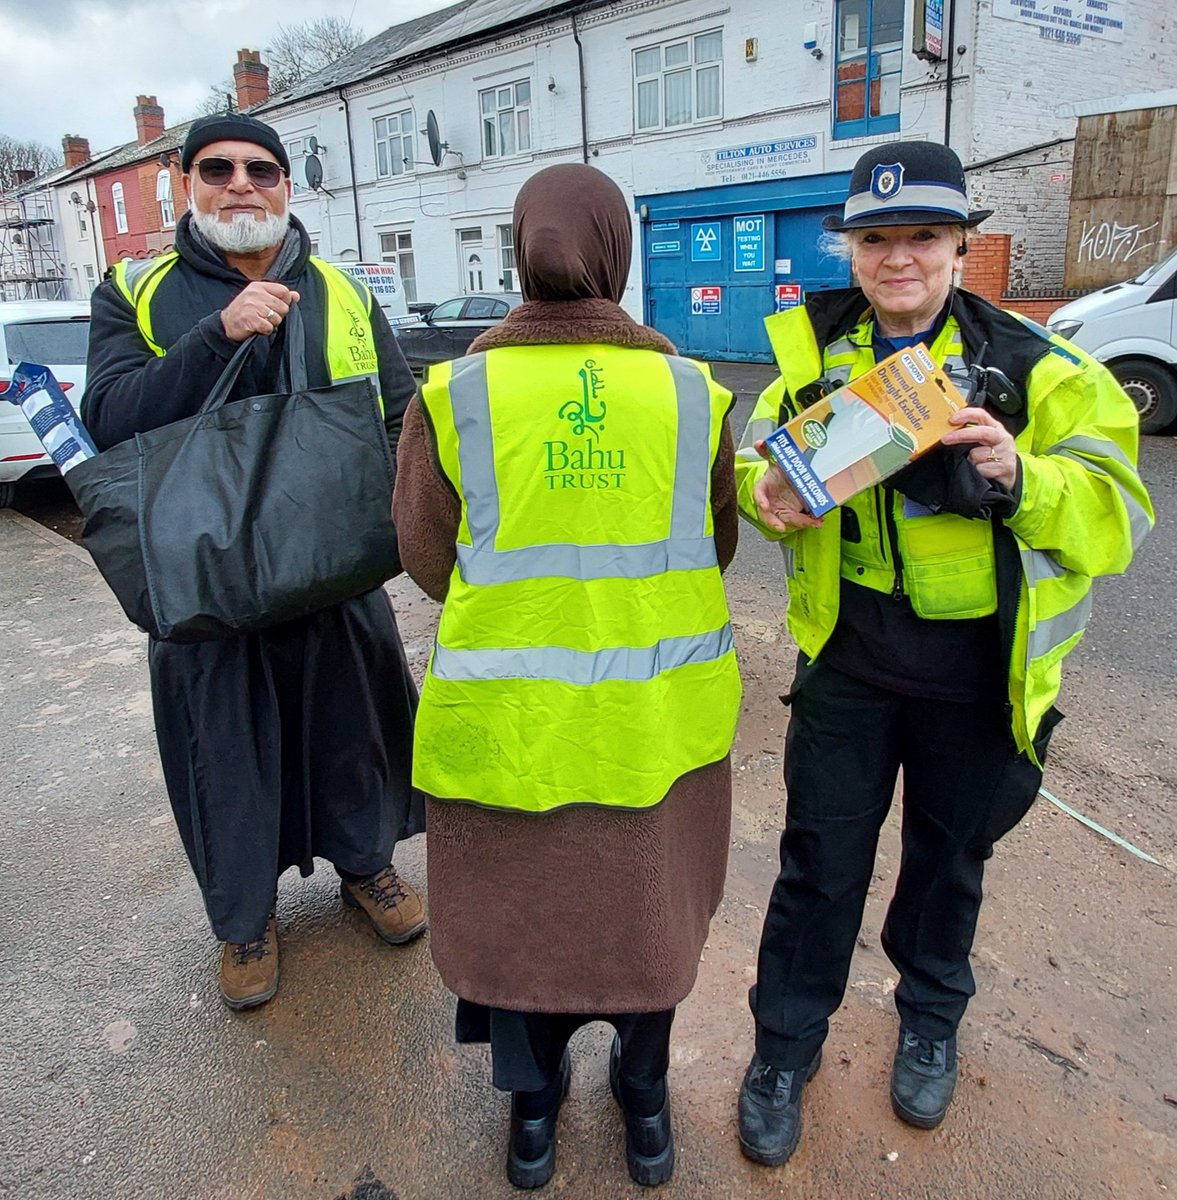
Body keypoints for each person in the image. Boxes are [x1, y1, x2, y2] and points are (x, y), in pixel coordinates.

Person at [733, 141, 1153, 1165]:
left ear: (963, 246)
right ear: (854, 252)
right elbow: (757, 461)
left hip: (977, 681)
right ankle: (785, 1045)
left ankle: (929, 1014)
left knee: (948, 865)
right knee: (818, 865)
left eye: (922, 235)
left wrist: (1022, 476)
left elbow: (1118, 516)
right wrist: (766, 496)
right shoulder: (809, 355)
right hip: (849, 668)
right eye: (876, 239)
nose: (899, 258)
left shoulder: (1045, 369)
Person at [392, 163, 741, 1190]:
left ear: (519, 245)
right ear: (616, 252)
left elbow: (424, 556)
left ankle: (533, 1119)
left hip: (507, 734)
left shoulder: (454, 393)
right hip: (654, 732)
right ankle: (644, 1109)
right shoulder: (690, 392)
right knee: (647, 928)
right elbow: (713, 546)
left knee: (521, 938)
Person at [83, 113, 426, 1012]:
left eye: (262, 170)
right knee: (225, 757)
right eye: (217, 168)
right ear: (187, 184)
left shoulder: (341, 291)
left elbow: (400, 414)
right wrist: (217, 336)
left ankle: (367, 869)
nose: (242, 184)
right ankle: (244, 920)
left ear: (286, 185)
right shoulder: (136, 291)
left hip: (331, 569)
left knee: (353, 735)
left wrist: (394, 513)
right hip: (209, 583)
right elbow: (110, 421)